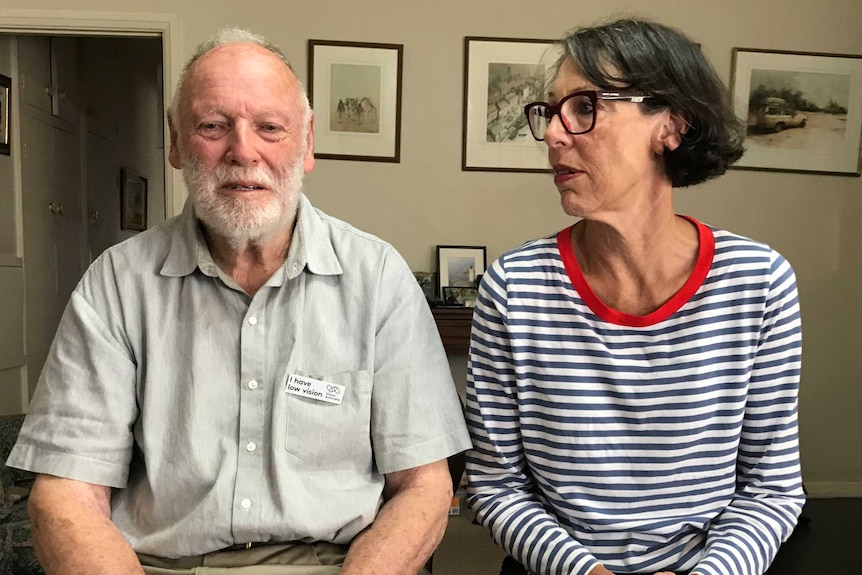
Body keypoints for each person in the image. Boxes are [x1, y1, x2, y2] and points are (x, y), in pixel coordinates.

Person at [7, 28, 470, 575]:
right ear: (177, 142)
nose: (243, 151)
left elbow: (423, 485)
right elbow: (65, 495)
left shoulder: (380, 280)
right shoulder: (116, 283)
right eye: (213, 126)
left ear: (306, 142)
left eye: (270, 128)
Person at [465, 18, 804, 575]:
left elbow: (772, 491)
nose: (554, 134)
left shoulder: (758, 282)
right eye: (549, 112)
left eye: (583, 107)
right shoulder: (514, 288)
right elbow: (496, 485)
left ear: (671, 124)